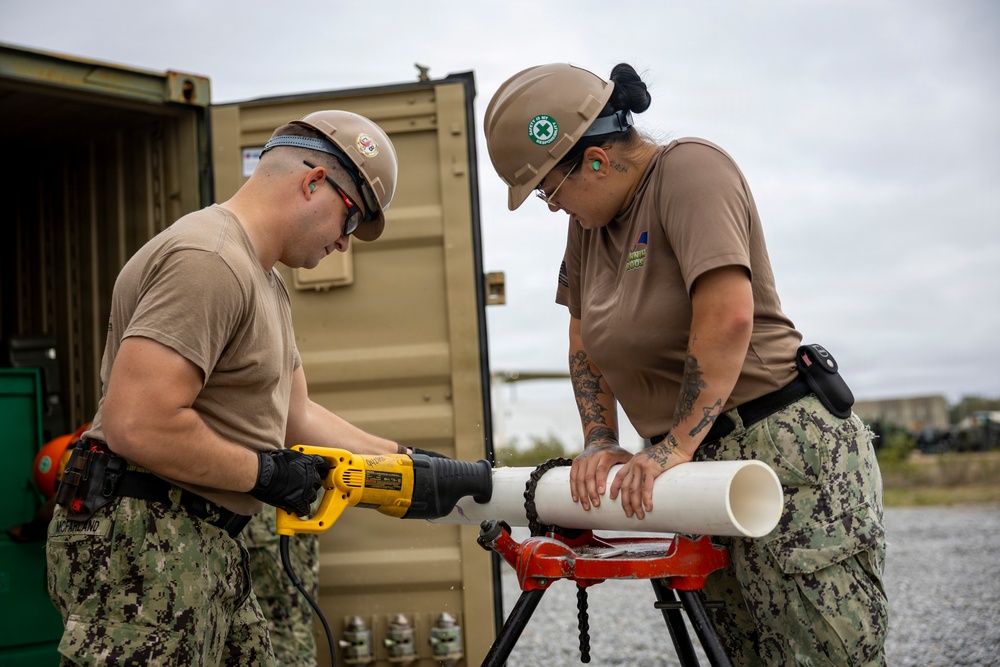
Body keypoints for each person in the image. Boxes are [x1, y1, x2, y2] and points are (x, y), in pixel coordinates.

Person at [484, 63, 887, 666]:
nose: (550, 206)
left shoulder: (690, 170)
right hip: (691, 463)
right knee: (738, 651)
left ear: (594, 160)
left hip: (778, 450)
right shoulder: (587, 226)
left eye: (548, 189)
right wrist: (600, 440)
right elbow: (584, 336)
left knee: (820, 652)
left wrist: (673, 446)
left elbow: (727, 316)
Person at [46, 110, 410, 666]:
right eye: (352, 218)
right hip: (148, 538)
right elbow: (137, 422)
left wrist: (406, 463)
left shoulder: (263, 280)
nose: (345, 243)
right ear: (314, 182)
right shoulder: (209, 260)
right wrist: (265, 474)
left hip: (206, 538)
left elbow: (298, 414)